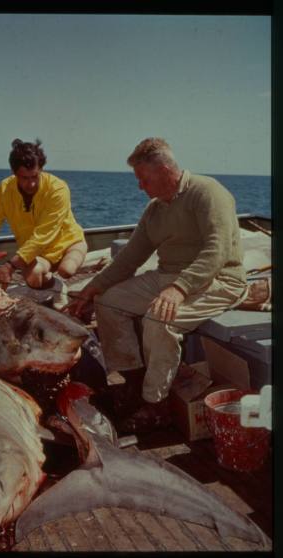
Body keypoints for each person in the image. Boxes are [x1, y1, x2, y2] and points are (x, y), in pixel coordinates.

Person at [68, 137, 247, 432]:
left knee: (159, 319)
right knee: (109, 301)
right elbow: (130, 257)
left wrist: (179, 288)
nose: (140, 186)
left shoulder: (208, 193)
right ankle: (134, 383)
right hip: (169, 277)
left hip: (219, 279)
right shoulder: (155, 209)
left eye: (143, 179)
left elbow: (217, 252)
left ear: (164, 170)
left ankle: (156, 405)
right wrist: (93, 287)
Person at [0, 139, 87, 304]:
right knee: (34, 278)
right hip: (38, 253)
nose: (31, 183)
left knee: (67, 270)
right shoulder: (4, 190)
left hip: (68, 243)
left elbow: (43, 235)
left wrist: (10, 266)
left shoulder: (58, 189)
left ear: (41, 169)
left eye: (35, 176)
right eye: (24, 178)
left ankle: (81, 265)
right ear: (14, 172)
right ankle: (55, 285)